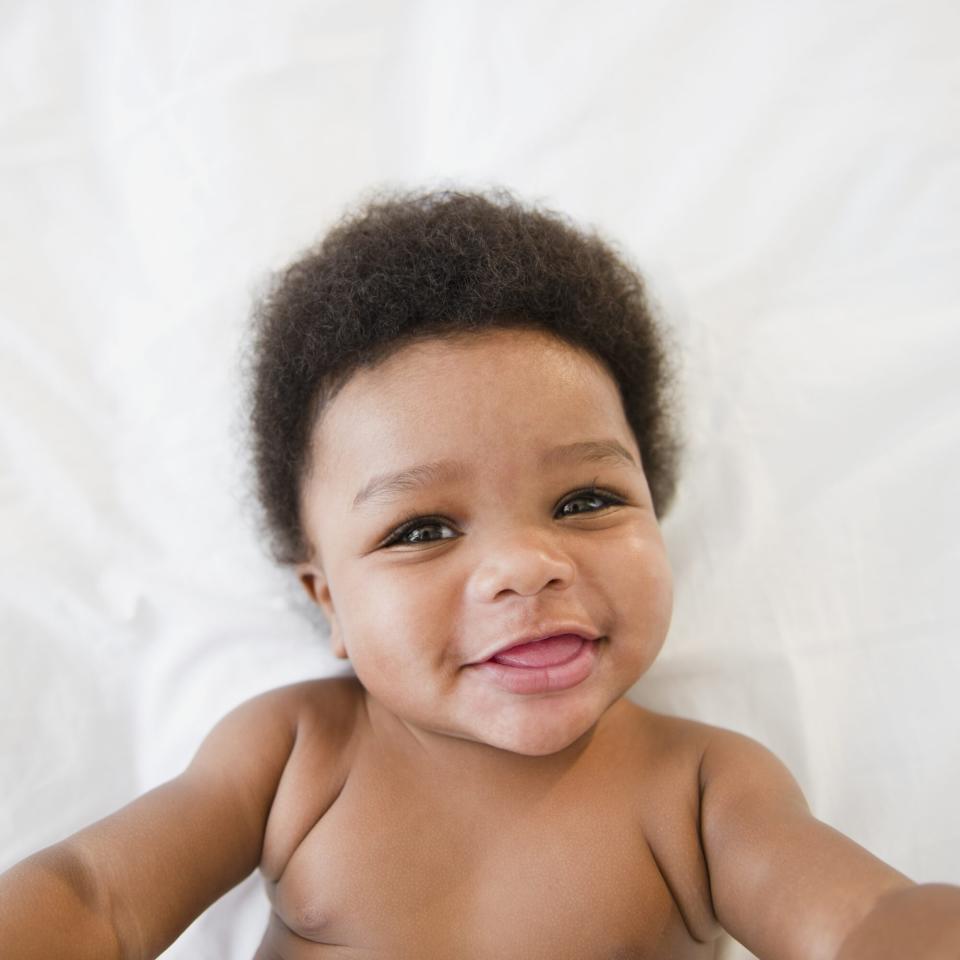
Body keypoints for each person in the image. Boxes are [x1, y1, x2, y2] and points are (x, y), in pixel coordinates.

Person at [1, 189, 957, 960]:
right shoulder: (294, 757)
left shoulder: (701, 788)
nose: (525, 566)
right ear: (328, 601)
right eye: (422, 526)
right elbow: (98, 899)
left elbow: (862, 922)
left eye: (586, 501)